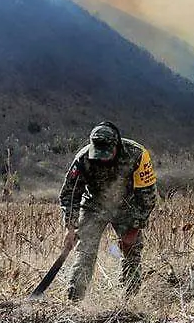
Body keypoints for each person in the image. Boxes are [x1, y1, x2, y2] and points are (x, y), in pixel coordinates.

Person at [59, 121, 157, 301]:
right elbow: (69, 195)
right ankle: (75, 299)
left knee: (131, 250)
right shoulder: (82, 158)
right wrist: (70, 227)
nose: (103, 158)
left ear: (117, 145)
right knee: (85, 251)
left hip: (127, 208)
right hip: (93, 207)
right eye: (99, 154)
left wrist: (134, 229)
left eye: (107, 154)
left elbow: (148, 197)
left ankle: (130, 300)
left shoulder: (137, 155)